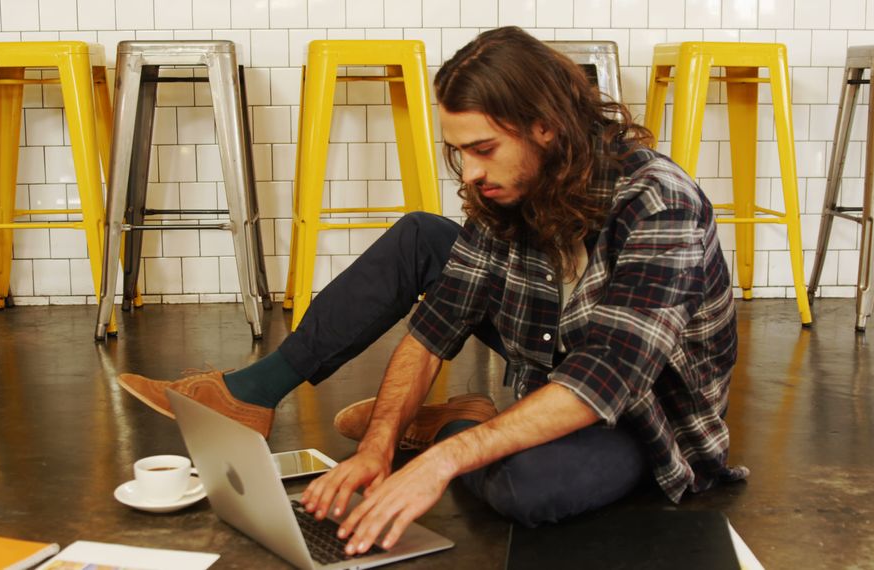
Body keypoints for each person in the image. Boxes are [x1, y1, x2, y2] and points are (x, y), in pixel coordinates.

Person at [118, 26, 747, 557]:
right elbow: (435, 327)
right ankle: (257, 394)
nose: (469, 172)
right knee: (424, 235)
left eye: (483, 149)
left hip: (644, 416)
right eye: (458, 152)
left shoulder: (659, 204)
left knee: (531, 490)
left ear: (546, 128)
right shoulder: (507, 188)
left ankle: (458, 431)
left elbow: (606, 377)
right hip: (554, 346)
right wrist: (378, 447)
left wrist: (442, 461)